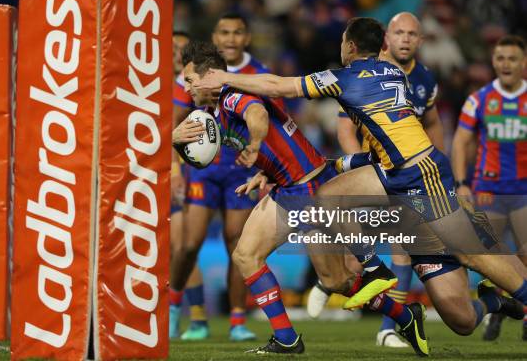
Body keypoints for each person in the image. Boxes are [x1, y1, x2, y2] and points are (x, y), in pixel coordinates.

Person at [194, 17, 527, 315]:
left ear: (350, 47)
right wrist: (332, 163)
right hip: (393, 169)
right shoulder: (392, 70)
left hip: (419, 172)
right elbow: (389, 137)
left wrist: (225, 77)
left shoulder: (345, 77)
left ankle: (511, 284)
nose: (341, 46)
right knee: (328, 195)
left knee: (471, 255)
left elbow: (279, 86)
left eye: (342, 41)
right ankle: (375, 269)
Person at [175, 40, 429, 356]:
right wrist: (264, 170)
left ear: (210, 76)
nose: (185, 87)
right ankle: (400, 317)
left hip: (308, 188)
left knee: (321, 275)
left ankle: (394, 309)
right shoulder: (212, 110)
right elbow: (278, 140)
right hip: (290, 187)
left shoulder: (232, 96)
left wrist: (254, 144)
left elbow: (257, 115)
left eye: (189, 80)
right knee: (310, 273)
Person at [309, 12, 444, 348]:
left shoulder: (426, 80)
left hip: (408, 174)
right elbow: (345, 128)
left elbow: (433, 125)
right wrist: (357, 174)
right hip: (373, 172)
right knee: (350, 250)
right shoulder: (366, 71)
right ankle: (331, 280)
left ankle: (388, 328)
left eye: (412, 33)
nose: (405, 39)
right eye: (399, 32)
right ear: (387, 39)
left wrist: (432, 169)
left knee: (402, 252)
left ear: (420, 40)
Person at [170, 14, 269, 342]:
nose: (230, 39)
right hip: (203, 170)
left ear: (247, 38)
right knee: (188, 245)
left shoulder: (258, 75)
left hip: (240, 169)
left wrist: (263, 165)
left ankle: (237, 321)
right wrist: (174, 167)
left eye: (236, 32)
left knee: (236, 242)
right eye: (223, 32)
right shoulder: (198, 75)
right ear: (215, 37)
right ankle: (174, 309)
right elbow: (174, 122)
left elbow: (266, 118)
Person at [452, 35, 527, 341]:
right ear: (493, 61)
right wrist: (461, 183)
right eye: (500, 58)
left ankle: (521, 314)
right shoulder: (479, 99)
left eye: (511, 58)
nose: (505, 64)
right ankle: (497, 309)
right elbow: (460, 141)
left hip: (523, 190)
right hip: (487, 190)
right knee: (491, 256)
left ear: (523, 63)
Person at [169, 31, 210, 340]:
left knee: (181, 245)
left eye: (182, 50)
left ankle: (193, 317)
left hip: (180, 172)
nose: (177, 55)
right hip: (148, 171)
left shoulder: (190, 90)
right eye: (172, 49)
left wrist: (174, 168)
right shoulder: (154, 86)